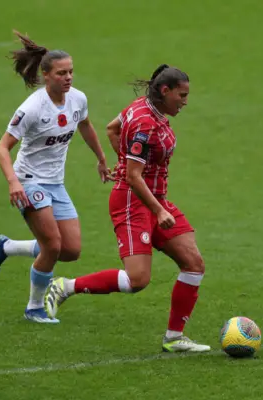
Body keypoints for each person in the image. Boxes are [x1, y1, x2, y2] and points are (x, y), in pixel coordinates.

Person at [45, 65, 211, 352]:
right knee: (137, 280)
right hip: (133, 202)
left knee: (194, 264)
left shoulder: (143, 107)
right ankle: (65, 286)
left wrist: (123, 162)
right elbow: (134, 176)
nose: (185, 101)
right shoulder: (145, 124)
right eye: (181, 95)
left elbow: (113, 128)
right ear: (165, 91)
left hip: (155, 198)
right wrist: (156, 208)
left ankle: (174, 338)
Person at [0, 30, 112, 324]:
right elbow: (2, 148)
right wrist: (13, 182)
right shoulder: (32, 108)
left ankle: (6, 247)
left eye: (70, 72)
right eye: (61, 73)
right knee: (52, 246)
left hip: (55, 182)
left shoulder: (77, 99)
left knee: (70, 250)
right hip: (28, 180)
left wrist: (102, 158)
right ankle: (34, 308)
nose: (68, 78)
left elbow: (85, 126)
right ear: (46, 75)